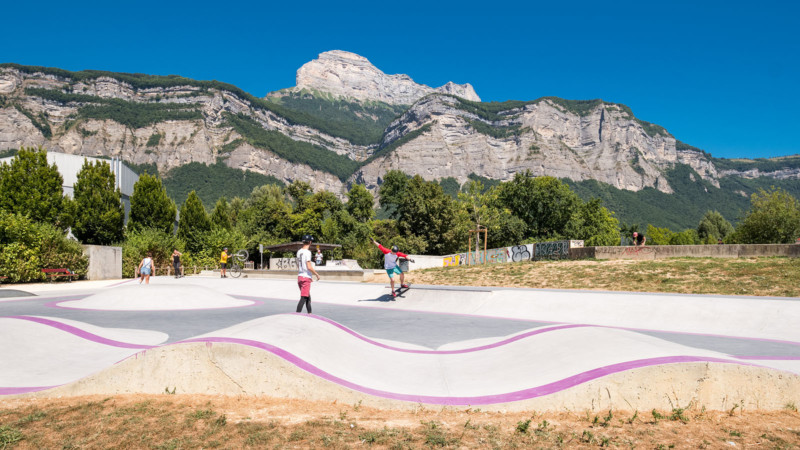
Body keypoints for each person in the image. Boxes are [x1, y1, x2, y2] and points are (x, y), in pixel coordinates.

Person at [296, 235, 320, 313]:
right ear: (310, 242)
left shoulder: (299, 251)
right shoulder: (308, 252)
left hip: (300, 277)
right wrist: (316, 274)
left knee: (307, 297)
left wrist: (309, 276)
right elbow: (309, 267)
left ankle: (310, 314)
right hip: (305, 278)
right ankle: (296, 314)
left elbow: (298, 265)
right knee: (303, 298)